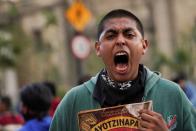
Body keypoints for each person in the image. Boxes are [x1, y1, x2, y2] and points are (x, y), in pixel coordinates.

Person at [50, 9, 196, 131]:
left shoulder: (172, 95)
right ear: (98, 48)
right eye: (111, 35)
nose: (120, 41)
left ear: (144, 45)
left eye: (129, 35)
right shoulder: (74, 101)